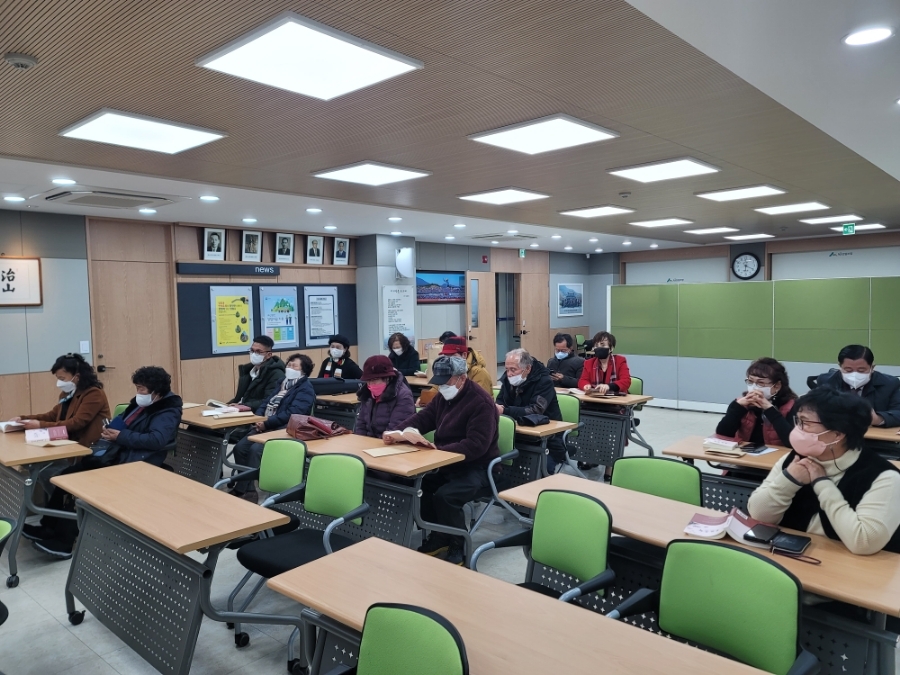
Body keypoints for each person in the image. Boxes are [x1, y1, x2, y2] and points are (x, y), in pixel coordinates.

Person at [27, 366, 183, 558]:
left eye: (141, 388)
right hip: (115, 454)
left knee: (81, 487)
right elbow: (123, 422)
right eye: (137, 388)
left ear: (156, 391)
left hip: (135, 463)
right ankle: (48, 527)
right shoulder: (141, 405)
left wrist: (120, 436)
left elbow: (156, 440)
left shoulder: (167, 410)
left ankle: (63, 542)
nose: (138, 393)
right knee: (65, 477)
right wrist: (110, 430)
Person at [748, 388, 900, 555]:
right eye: (798, 421)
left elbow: (863, 543)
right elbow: (758, 514)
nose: (797, 429)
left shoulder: (885, 477)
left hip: (850, 565)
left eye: (805, 423)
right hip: (792, 554)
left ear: (837, 434)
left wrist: (823, 485)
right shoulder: (794, 459)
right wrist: (789, 480)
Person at [385, 356, 498, 565]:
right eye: (439, 382)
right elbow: (423, 418)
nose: (442, 386)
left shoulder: (481, 402)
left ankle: (459, 544)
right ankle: (439, 535)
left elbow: (477, 445)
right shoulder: (443, 397)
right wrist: (397, 432)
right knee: (419, 486)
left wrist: (440, 451)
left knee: (446, 496)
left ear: (462, 378)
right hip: (445, 461)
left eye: (446, 382)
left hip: (477, 466)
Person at [12, 353, 111, 497]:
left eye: (62, 379)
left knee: (46, 472)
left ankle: (62, 505)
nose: (59, 383)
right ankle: (56, 504)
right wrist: (23, 419)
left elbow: (77, 422)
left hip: (86, 448)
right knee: (36, 467)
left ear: (77, 377)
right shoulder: (67, 394)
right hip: (65, 444)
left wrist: (39, 425)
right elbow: (52, 415)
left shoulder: (94, 394)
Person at [229, 354, 316, 502]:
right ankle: (249, 489)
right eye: (289, 364)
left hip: (285, 430)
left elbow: (292, 414)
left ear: (303, 371)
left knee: (255, 450)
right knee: (240, 448)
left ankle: (243, 490)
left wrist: (267, 423)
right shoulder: (282, 382)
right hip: (266, 426)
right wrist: (259, 418)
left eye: (294, 366)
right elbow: (266, 402)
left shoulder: (305, 389)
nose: (289, 368)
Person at [496, 348, 565, 472]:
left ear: (528, 368)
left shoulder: (544, 381)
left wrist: (505, 411)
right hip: (518, 434)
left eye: (513, 370)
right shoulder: (508, 379)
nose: (509, 374)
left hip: (548, 439)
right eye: (507, 369)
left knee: (540, 470)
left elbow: (535, 410)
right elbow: (500, 401)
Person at [716, 357, 797, 447]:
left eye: (761, 383)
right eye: (750, 382)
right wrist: (737, 408)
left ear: (777, 386)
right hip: (745, 452)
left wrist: (770, 410)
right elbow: (722, 435)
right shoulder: (741, 403)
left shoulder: (792, 406)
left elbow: (792, 442)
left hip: (778, 454)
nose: (754, 387)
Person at [816, 345, 900, 428]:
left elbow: (898, 412)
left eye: (861, 370)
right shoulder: (827, 381)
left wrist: (878, 419)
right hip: (838, 431)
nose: (854, 374)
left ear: (872, 367)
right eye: (848, 370)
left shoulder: (890, 384)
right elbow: (815, 410)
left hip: (874, 434)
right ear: (840, 367)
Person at [355, 355, 415, 439]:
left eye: (375, 380)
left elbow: (395, 431)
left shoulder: (403, 396)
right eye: (368, 381)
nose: (371, 384)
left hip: (392, 443)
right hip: (370, 442)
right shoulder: (367, 394)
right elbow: (361, 424)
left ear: (387, 378)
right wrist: (360, 440)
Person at [229, 336, 285, 413]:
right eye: (252, 350)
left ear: (268, 355)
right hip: (243, 410)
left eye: (258, 352)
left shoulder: (276, 374)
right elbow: (242, 397)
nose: (254, 354)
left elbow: (270, 400)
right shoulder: (248, 371)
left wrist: (243, 406)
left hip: (258, 414)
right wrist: (228, 405)